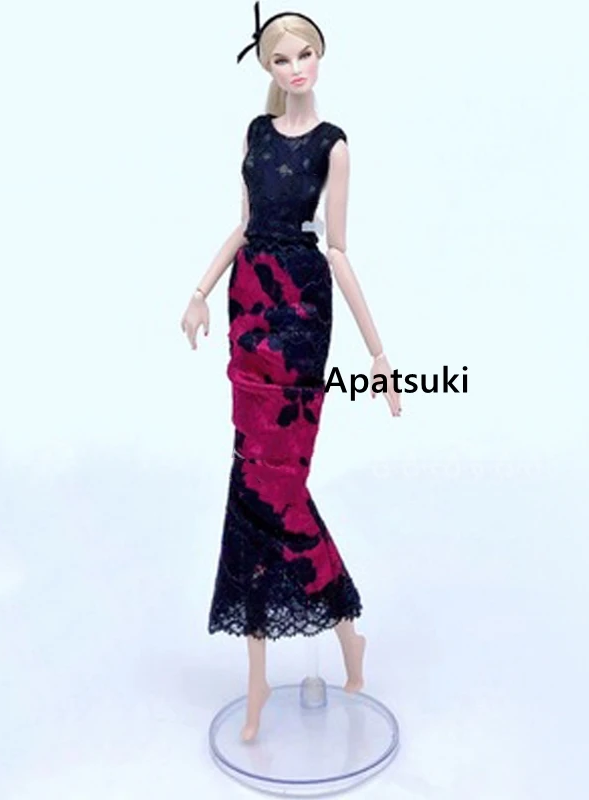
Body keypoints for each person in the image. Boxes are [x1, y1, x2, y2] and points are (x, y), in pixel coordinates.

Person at [180, 2, 402, 742]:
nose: (295, 67)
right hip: (249, 307)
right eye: (281, 57)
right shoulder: (254, 134)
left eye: (304, 53)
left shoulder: (334, 146)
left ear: (320, 55)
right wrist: (199, 290)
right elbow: (246, 224)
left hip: (302, 314)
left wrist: (377, 353)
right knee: (250, 485)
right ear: (268, 66)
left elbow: (338, 249)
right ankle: (261, 679)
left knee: (279, 486)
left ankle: (343, 631)